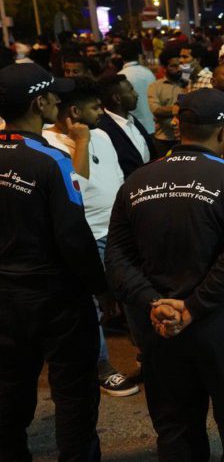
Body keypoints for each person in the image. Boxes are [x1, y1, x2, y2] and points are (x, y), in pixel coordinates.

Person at [105, 89, 224, 459]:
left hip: (160, 327)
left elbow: (116, 259)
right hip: (223, 325)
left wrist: (153, 304)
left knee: (176, 434)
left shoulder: (137, 181)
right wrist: (193, 307)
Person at [0, 64, 109, 461]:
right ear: (38, 102)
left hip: (6, 298)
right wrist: (101, 288)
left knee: (9, 393)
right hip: (56, 299)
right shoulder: (50, 161)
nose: (58, 102)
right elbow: (73, 236)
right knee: (75, 397)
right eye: (52, 96)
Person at [43, 77, 138, 397]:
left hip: (118, 232)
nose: (101, 111)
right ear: (73, 111)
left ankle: (148, 356)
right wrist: (80, 142)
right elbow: (75, 187)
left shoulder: (103, 133)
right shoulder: (48, 144)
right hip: (87, 237)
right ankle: (101, 366)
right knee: (90, 307)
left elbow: (119, 180)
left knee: (135, 295)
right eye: (95, 107)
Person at [97, 73, 155, 178]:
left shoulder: (132, 120)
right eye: (131, 90)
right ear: (117, 98)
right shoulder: (103, 129)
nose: (136, 94)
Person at [148, 48, 188, 157]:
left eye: (180, 64)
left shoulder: (188, 83)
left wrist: (168, 110)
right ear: (164, 68)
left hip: (186, 139)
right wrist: (184, 108)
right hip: (164, 140)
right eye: (173, 66)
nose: (179, 68)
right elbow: (157, 110)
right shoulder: (155, 86)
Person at [118, 40, 157, 133]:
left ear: (120, 56)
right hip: (154, 125)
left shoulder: (121, 77)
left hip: (136, 128)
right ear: (139, 55)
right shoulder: (148, 73)